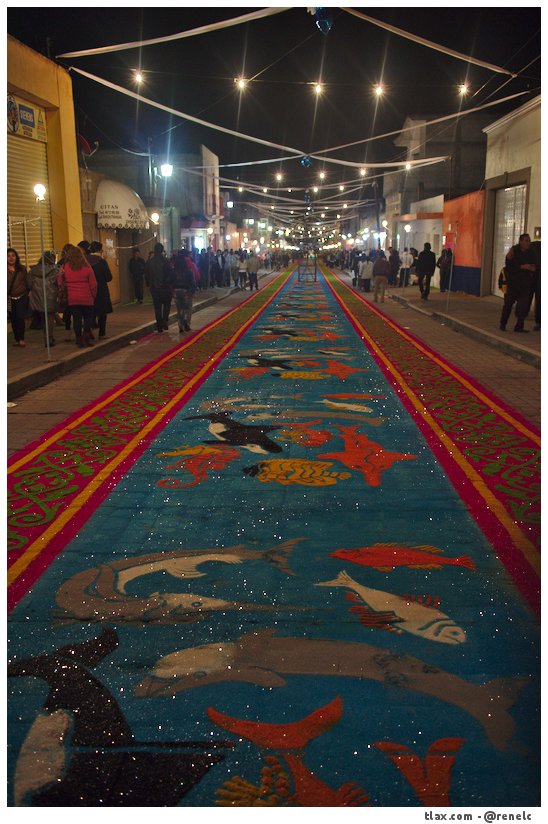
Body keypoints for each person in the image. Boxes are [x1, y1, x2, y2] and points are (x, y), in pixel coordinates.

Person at [59, 244, 97, 347]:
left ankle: (79, 339)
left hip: (73, 298)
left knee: (76, 319)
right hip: (87, 297)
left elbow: (60, 281)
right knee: (88, 318)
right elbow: (93, 284)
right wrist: (93, 295)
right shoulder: (87, 266)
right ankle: (86, 337)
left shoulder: (65, 267)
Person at [499, 233, 536, 333]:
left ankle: (519, 326)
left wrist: (531, 268)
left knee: (523, 306)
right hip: (513, 284)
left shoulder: (531, 253)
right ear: (520, 242)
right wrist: (522, 267)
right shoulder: (513, 251)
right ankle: (503, 324)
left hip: (525, 284)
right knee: (508, 305)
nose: (528, 243)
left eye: (529, 240)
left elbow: (534, 266)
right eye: (526, 241)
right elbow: (509, 267)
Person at [26, 251, 58, 347]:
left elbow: (28, 284)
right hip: (51, 296)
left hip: (38, 298)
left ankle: (47, 337)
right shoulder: (54, 270)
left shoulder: (32, 271)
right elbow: (57, 283)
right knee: (50, 318)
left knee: (44, 318)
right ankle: (49, 338)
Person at [145, 242, 174, 333]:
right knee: (166, 304)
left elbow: (147, 275)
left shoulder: (150, 262)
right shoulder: (166, 261)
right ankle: (165, 321)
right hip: (165, 287)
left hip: (154, 288)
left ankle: (159, 325)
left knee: (157, 307)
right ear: (162, 250)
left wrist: (149, 284)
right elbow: (170, 274)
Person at [88, 241, 113, 338]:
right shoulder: (101, 261)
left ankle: (89, 331)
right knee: (102, 312)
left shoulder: (85, 261)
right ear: (100, 250)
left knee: (90, 312)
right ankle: (102, 333)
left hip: (88, 290)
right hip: (101, 289)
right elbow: (109, 277)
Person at [7, 247, 29, 347]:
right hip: (9, 299)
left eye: (13, 256)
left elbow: (27, 281)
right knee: (13, 318)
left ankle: (21, 339)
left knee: (20, 317)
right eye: (8, 256)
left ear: (16, 257)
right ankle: (17, 338)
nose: (11, 258)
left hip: (21, 296)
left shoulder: (22, 269)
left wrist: (29, 292)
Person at [173, 249, 197, 332]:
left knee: (179, 309)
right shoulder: (189, 272)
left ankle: (180, 324)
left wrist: (172, 291)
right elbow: (193, 282)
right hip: (186, 292)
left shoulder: (173, 272)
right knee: (188, 308)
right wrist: (192, 291)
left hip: (176, 291)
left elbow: (170, 281)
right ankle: (186, 322)